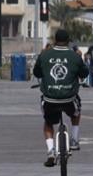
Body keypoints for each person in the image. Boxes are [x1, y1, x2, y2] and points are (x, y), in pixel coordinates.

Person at [32, 28, 89, 167]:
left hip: (49, 99)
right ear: (68, 41)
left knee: (48, 123)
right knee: (76, 112)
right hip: (69, 98)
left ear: (55, 40)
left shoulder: (45, 55)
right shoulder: (74, 56)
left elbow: (37, 73)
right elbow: (85, 73)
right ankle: (74, 140)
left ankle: (51, 150)